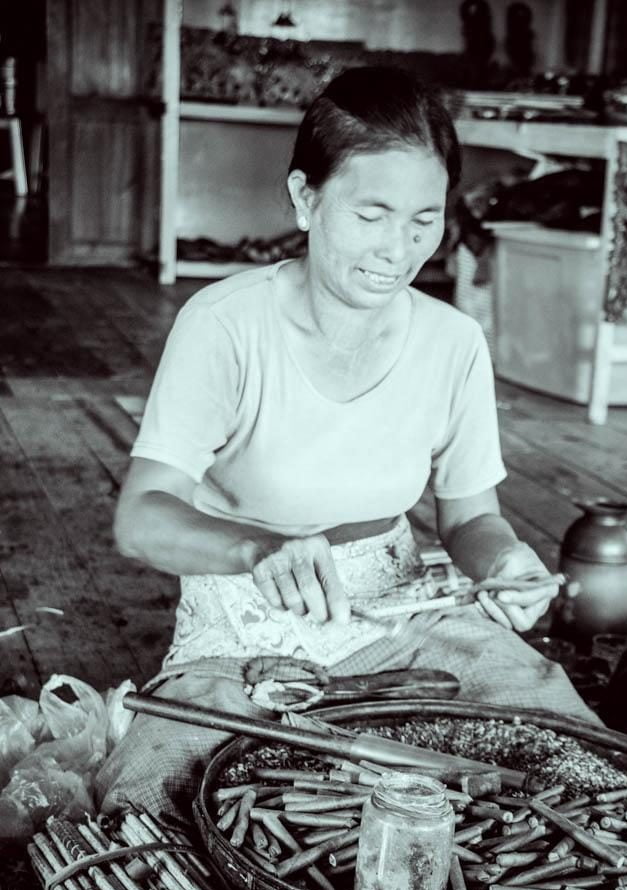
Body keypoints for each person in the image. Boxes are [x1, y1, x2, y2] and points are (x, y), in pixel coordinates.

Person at [96, 67, 598, 824]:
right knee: (160, 803)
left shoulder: (451, 341)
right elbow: (141, 517)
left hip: (404, 618)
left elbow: (467, 518)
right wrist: (256, 550)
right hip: (240, 633)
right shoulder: (226, 323)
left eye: (423, 220)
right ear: (305, 198)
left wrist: (502, 564)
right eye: (372, 214)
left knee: (561, 742)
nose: (398, 250)